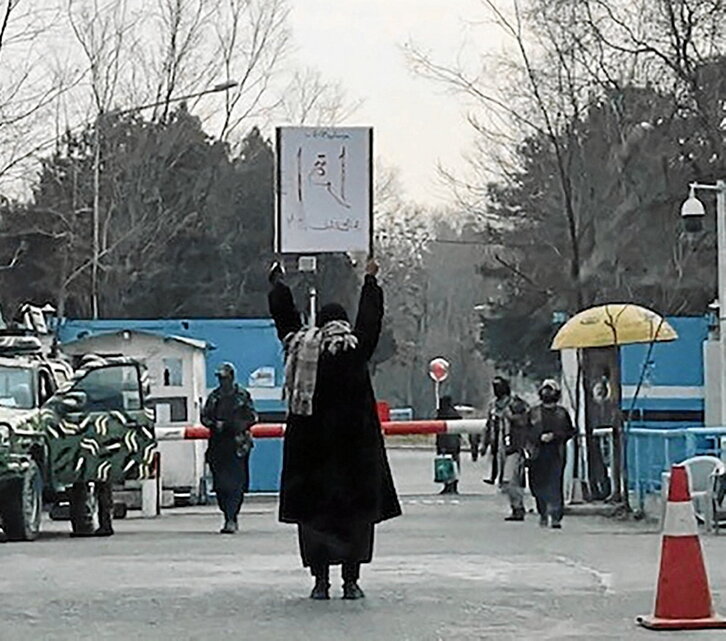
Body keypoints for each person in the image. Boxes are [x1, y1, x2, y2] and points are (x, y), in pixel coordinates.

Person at [268, 258, 401, 601]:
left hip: (311, 459)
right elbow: (371, 321)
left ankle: (320, 582)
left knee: (316, 519)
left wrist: (278, 286)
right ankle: (351, 582)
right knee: (354, 520)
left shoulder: (300, 347)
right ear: (343, 322)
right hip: (354, 456)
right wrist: (370, 282)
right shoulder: (355, 350)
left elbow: (285, 320)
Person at [201, 362, 257, 534]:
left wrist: (238, 425)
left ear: (231, 377)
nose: (222, 381)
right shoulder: (214, 397)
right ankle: (226, 512)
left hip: (237, 445)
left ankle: (231, 518)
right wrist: (215, 424)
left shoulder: (242, 395)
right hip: (218, 445)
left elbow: (253, 417)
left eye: (224, 378)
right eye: (220, 378)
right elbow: (205, 417)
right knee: (220, 484)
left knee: (236, 484)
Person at [526, 379, 576, 529]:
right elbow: (526, 432)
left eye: (551, 390)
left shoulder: (562, 413)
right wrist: (537, 439)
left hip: (556, 452)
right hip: (537, 454)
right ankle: (542, 512)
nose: (547, 392)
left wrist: (555, 436)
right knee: (537, 484)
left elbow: (570, 431)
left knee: (554, 484)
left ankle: (555, 516)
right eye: (545, 389)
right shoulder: (534, 413)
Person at [484, 376, 529, 521]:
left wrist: (512, 418)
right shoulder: (493, 406)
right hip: (498, 448)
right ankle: (515, 507)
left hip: (514, 447)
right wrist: (484, 445)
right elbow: (488, 426)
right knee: (503, 483)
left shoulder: (516, 403)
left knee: (510, 479)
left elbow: (526, 420)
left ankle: (519, 507)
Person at [435, 395, 462, 494]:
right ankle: (452, 485)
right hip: (454, 444)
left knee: (447, 465)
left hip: (447, 443)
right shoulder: (454, 413)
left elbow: (441, 432)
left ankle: (449, 486)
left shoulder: (444, 413)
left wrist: (440, 445)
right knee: (453, 464)